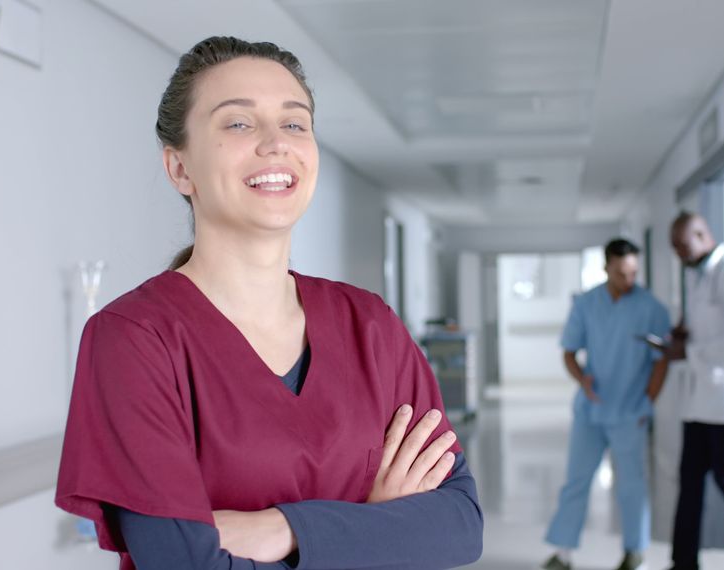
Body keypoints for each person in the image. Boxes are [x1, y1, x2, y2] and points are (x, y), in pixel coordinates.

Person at [54, 36, 483, 569]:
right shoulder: (134, 339)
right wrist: (373, 531)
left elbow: (460, 524)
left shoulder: (370, 325)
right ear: (179, 168)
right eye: (238, 123)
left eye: (295, 123)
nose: (276, 143)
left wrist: (283, 528)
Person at [541, 239, 670, 570]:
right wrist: (581, 379)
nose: (628, 280)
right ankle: (564, 552)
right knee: (576, 480)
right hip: (591, 409)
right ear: (606, 268)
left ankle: (634, 553)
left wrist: (648, 402)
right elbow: (569, 352)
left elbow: (661, 361)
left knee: (632, 485)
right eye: (620, 273)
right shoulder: (586, 303)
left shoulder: (651, 308)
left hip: (630, 411)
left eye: (633, 273)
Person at [661, 212, 724, 570]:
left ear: (702, 234)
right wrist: (683, 333)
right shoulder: (696, 273)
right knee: (689, 485)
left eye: (681, 245)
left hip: (723, 404)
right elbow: (704, 327)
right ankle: (683, 563)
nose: (678, 254)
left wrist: (688, 352)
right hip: (697, 404)